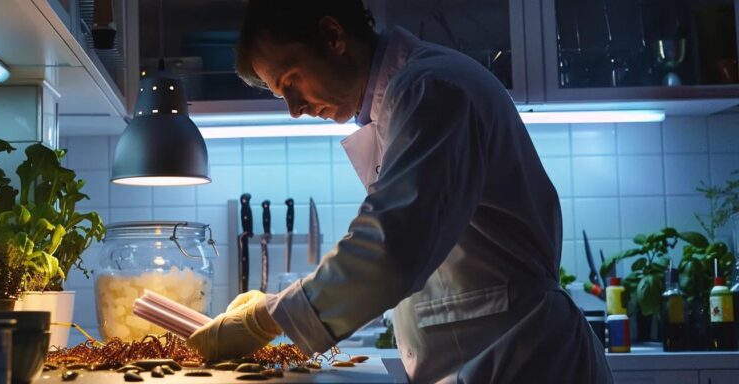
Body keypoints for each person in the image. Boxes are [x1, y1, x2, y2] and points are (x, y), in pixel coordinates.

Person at [185, 1, 614, 382]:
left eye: (292, 80)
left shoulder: (432, 88)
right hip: (492, 357)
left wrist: (267, 317)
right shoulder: (399, 99)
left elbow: (392, 248)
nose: (294, 109)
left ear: (333, 37)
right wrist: (277, 309)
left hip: (524, 359)